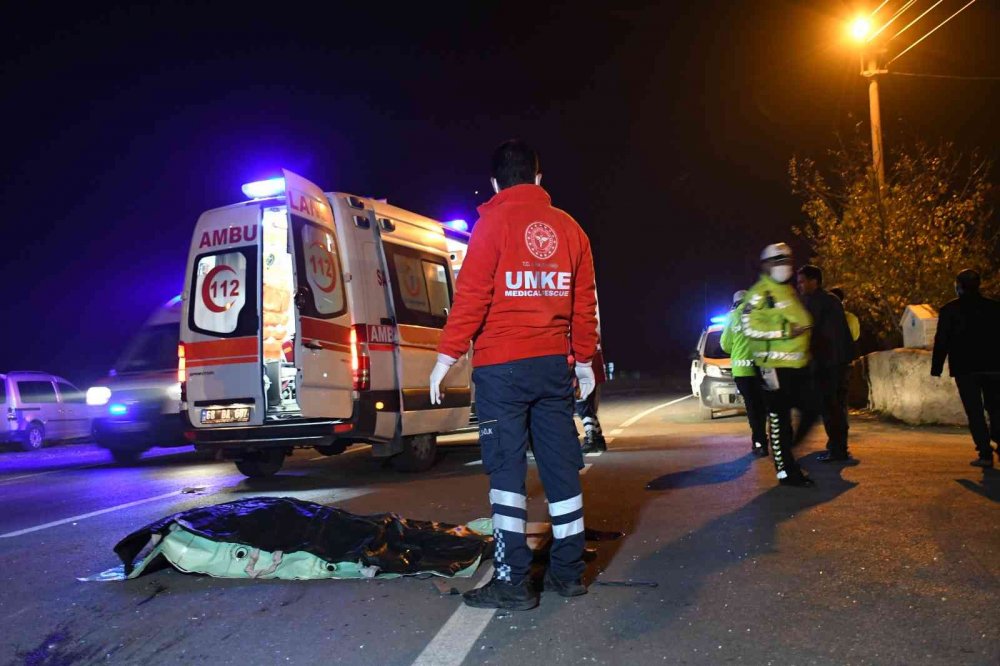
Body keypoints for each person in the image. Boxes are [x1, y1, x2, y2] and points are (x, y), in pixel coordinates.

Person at [429, 139, 599, 609]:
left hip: (501, 369)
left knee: (506, 472)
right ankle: (568, 574)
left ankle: (512, 581)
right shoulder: (571, 230)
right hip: (551, 367)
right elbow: (583, 306)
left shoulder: (492, 226)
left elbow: (472, 298)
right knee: (561, 467)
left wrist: (446, 357)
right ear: (539, 179)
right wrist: (583, 361)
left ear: (494, 183)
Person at [740, 242, 816, 487]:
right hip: (772, 368)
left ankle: (785, 449)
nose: (784, 266)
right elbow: (748, 325)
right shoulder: (761, 293)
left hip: (796, 367)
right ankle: (786, 471)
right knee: (779, 419)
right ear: (766, 265)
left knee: (812, 408)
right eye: (778, 261)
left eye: (787, 261)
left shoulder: (787, 291)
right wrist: (784, 330)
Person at [930, 269, 1000, 467]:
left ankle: (985, 453)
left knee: (974, 411)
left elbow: (941, 340)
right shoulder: (994, 308)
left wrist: (936, 367)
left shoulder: (950, 310)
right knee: (996, 408)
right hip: (994, 366)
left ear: (958, 286)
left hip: (965, 368)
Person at [797, 266, 858, 462]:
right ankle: (838, 447)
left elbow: (815, 334)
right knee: (837, 407)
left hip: (828, 364)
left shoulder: (818, 302)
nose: (800, 286)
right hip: (838, 362)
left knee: (830, 408)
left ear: (814, 281)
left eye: (802, 281)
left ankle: (837, 450)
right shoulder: (829, 300)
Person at [720, 289, 768, 457]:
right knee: (764, 407)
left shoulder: (732, 317)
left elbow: (725, 345)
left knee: (752, 408)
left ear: (735, 303)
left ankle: (760, 442)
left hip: (742, 371)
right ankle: (775, 442)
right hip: (762, 369)